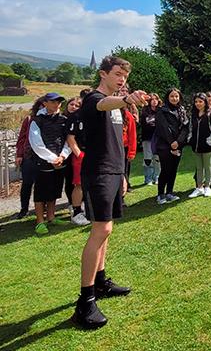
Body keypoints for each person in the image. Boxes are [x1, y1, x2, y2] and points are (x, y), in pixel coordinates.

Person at [72, 56, 145, 329]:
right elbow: (103, 103)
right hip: (98, 172)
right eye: (117, 74)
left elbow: (116, 141)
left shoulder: (117, 105)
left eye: (125, 76)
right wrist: (127, 99)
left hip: (114, 172)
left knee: (108, 230)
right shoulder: (94, 99)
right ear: (103, 74)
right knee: (100, 230)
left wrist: (123, 174)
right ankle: (85, 301)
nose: (122, 79)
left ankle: (100, 281)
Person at [29, 93, 71, 234]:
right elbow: (36, 143)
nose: (56, 104)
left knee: (54, 190)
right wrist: (53, 158)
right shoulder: (37, 120)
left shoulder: (64, 120)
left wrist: (62, 156)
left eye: (59, 102)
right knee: (41, 192)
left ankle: (51, 217)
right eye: (53, 101)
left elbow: (69, 140)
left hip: (60, 160)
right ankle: (40, 221)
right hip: (43, 162)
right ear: (45, 103)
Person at [11, 99, 46, 220]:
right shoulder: (29, 119)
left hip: (44, 157)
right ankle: (24, 209)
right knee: (26, 184)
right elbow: (21, 138)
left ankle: (43, 209)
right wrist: (19, 155)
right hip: (29, 156)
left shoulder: (52, 119)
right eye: (42, 105)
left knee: (42, 184)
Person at [155, 88, 190, 205]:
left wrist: (178, 142)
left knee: (174, 169)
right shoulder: (162, 110)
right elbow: (163, 128)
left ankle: (170, 192)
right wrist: (171, 142)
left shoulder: (182, 110)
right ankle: (160, 194)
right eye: (172, 96)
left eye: (176, 96)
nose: (174, 98)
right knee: (165, 170)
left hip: (178, 145)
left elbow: (185, 127)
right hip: (164, 146)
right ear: (167, 97)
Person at [188, 93, 211, 198]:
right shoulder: (193, 115)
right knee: (199, 167)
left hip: (207, 146)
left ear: (205, 102)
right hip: (196, 146)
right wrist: (190, 139)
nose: (198, 104)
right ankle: (199, 187)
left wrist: (209, 141)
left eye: (200, 101)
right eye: (196, 102)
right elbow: (190, 129)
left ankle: (207, 187)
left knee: (208, 166)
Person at [64, 96, 87, 225]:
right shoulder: (75, 117)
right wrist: (79, 154)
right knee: (79, 184)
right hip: (81, 154)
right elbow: (70, 138)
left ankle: (86, 208)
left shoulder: (92, 115)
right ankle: (76, 212)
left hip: (93, 154)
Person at [139, 94, 160, 186]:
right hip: (147, 138)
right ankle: (148, 179)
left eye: (156, 99)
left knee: (157, 158)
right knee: (148, 159)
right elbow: (144, 125)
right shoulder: (145, 111)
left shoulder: (161, 111)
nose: (154, 101)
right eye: (152, 99)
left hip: (159, 138)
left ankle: (157, 177)